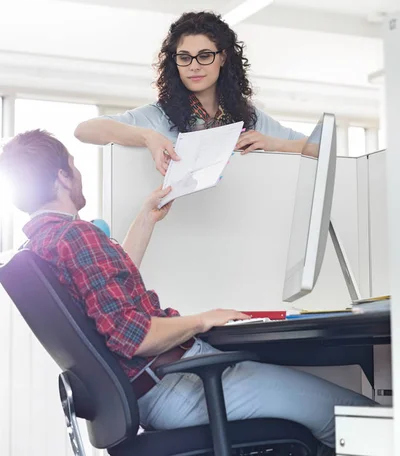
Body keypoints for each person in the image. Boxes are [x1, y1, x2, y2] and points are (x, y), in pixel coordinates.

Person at [0, 130, 375, 456]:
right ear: (64, 176)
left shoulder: (45, 243)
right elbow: (135, 337)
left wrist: (146, 218)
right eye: (73, 165)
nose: (78, 173)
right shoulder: (77, 236)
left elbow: (109, 289)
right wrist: (203, 319)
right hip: (179, 385)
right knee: (351, 415)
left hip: (154, 390)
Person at [75, 11, 308, 175]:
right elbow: (84, 130)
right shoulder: (158, 116)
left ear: (223, 58)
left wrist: (275, 144)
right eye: (184, 58)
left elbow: (321, 148)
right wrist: (148, 137)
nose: (194, 66)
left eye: (205, 56)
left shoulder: (250, 119)